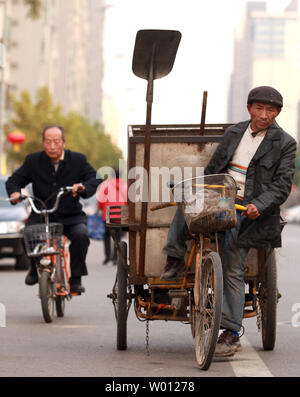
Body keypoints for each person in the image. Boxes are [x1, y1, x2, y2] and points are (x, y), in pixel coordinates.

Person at [160, 86, 297, 357]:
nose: (264, 115)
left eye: (270, 110)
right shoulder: (235, 133)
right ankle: (175, 258)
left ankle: (231, 332)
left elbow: (282, 185)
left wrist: (259, 204)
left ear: (277, 113)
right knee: (187, 203)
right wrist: (203, 190)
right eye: (259, 108)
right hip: (221, 197)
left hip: (250, 210)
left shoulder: (286, 143)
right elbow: (214, 170)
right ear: (250, 109)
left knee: (234, 266)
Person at [6, 125, 99, 294]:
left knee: (81, 236)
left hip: (71, 215)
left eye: (56, 141)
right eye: (48, 142)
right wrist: (15, 192)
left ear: (64, 142)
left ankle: (76, 278)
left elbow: (93, 178)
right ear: (43, 143)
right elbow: (14, 180)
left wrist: (83, 186)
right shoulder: (33, 161)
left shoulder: (78, 160)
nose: (52, 146)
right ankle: (35, 269)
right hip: (42, 213)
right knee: (27, 235)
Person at [97, 169, 127, 264]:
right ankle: (115, 258)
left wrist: (101, 208)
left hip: (108, 213)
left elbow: (100, 199)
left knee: (106, 235)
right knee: (117, 236)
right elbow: (128, 200)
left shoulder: (105, 185)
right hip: (120, 214)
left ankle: (107, 256)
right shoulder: (125, 185)